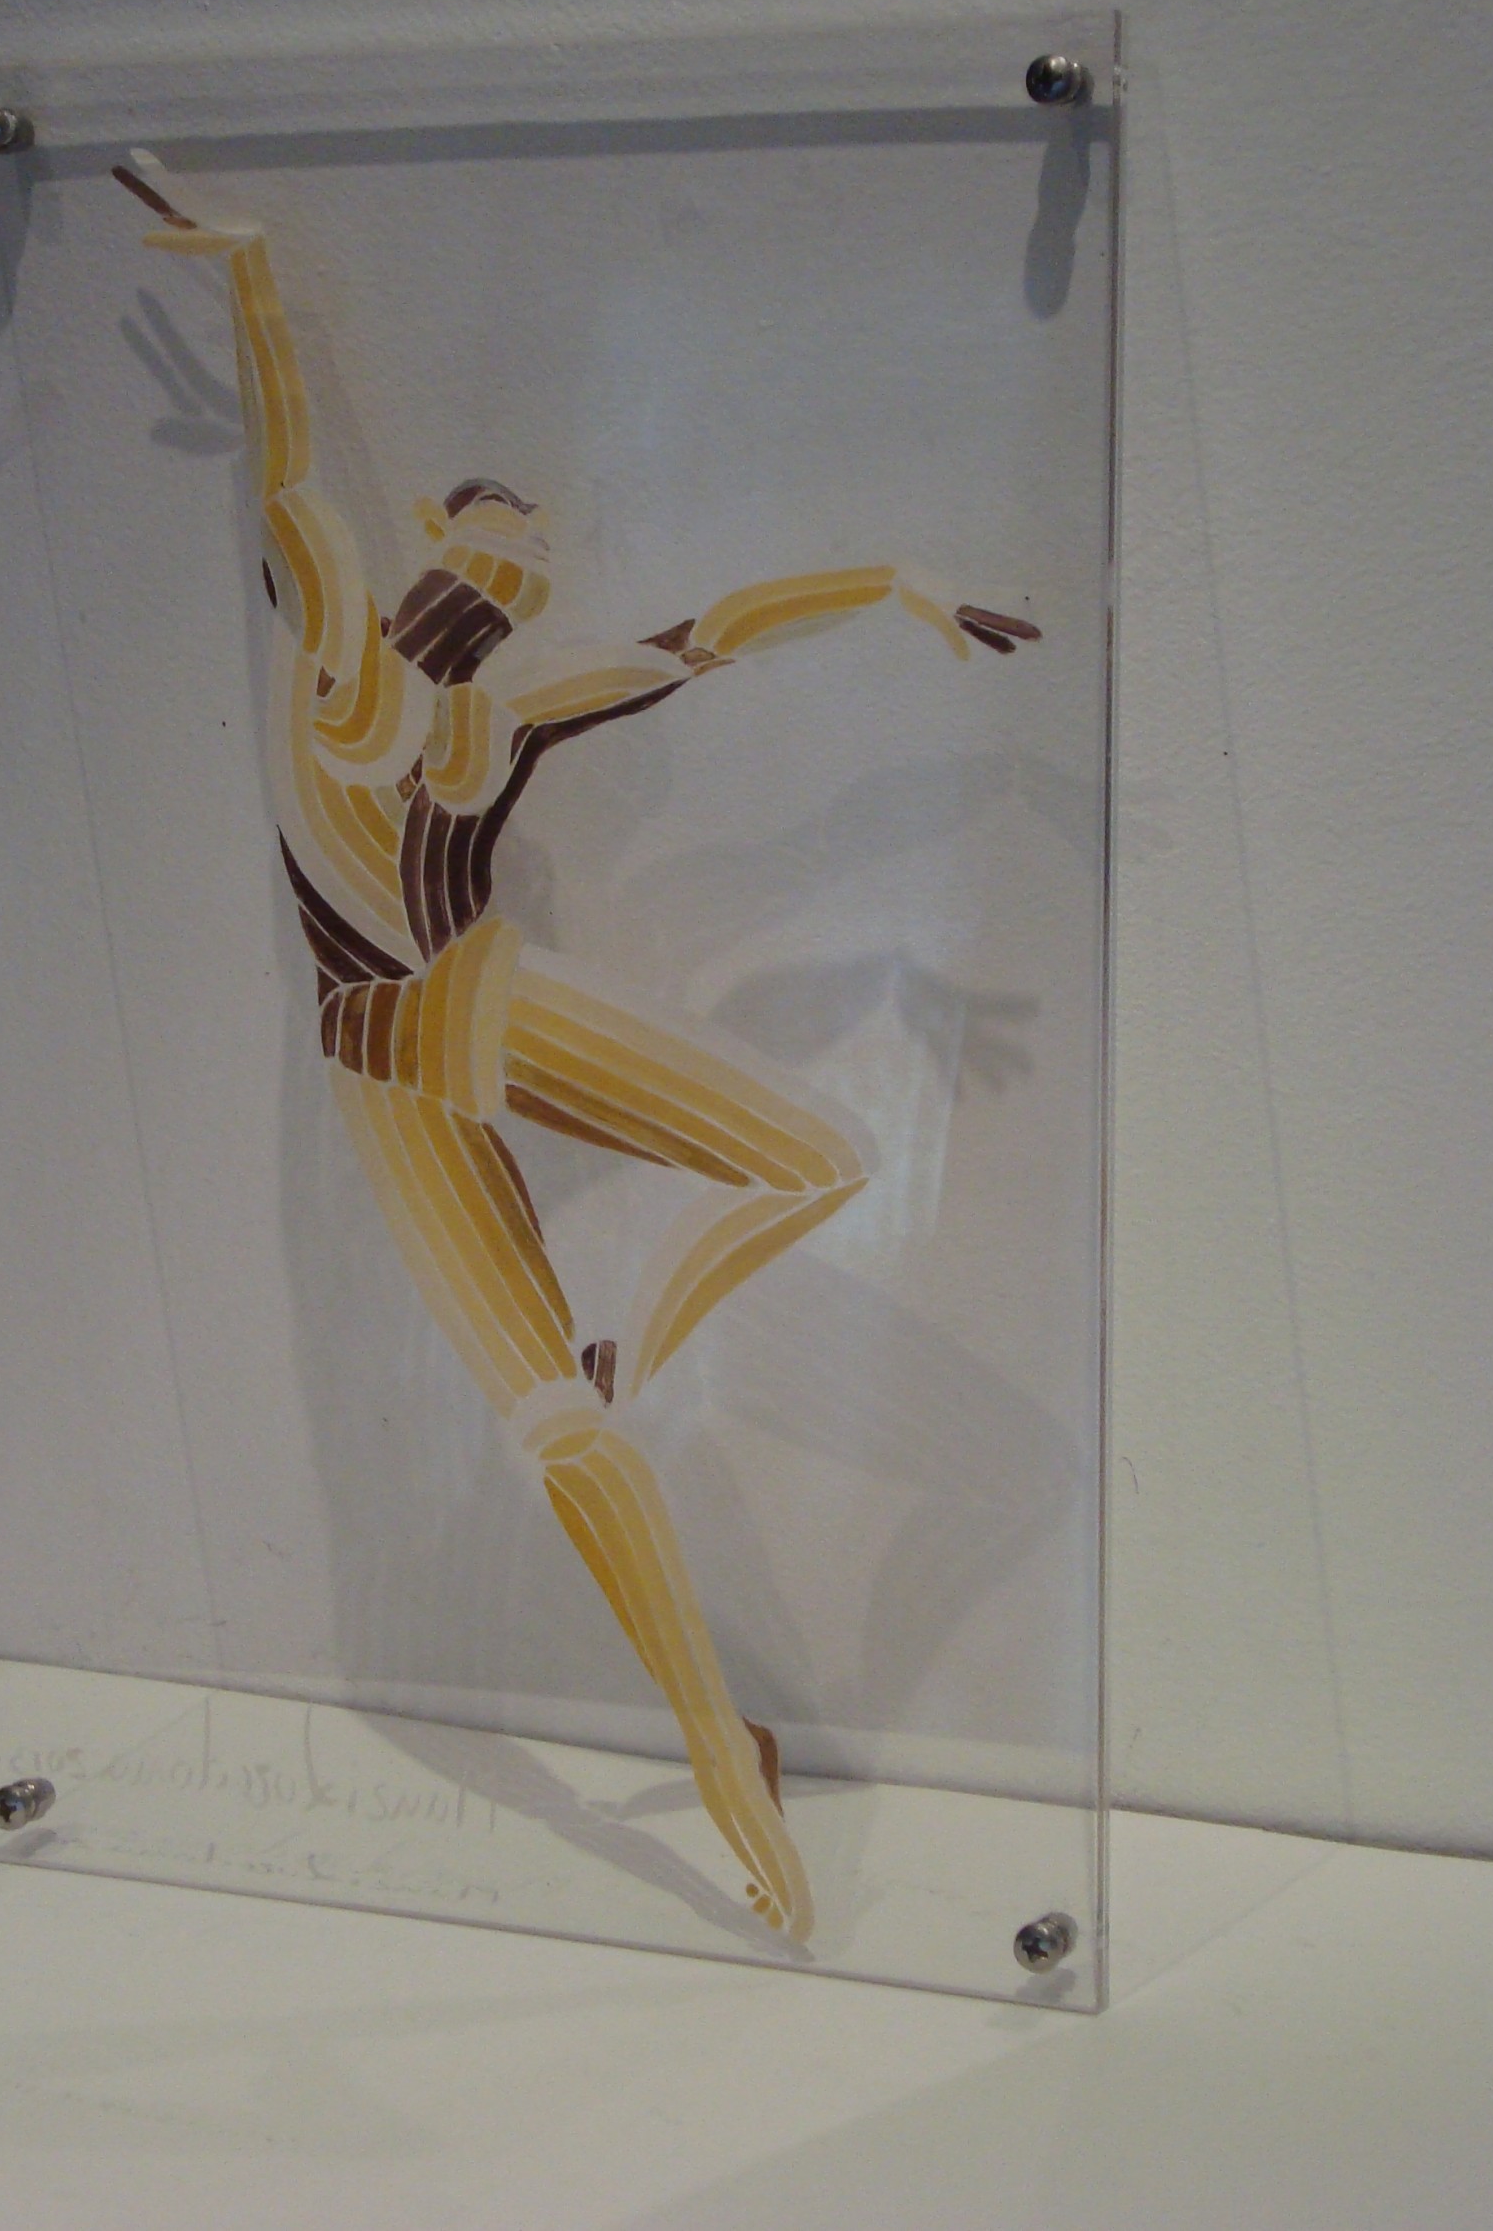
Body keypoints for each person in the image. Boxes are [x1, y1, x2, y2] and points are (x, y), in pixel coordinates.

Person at [115, 156, 1039, 1941]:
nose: (508, 560)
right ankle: (717, 1747)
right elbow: (293, 479)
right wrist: (249, 280)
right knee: (558, 1437)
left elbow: (709, 640)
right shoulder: (339, 655)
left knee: (817, 1159)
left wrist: (897, 581)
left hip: (475, 996)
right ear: (431, 550)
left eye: (526, 554)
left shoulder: (505, 706)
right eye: (489, 535)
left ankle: (647, 1334)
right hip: (381, 1060)